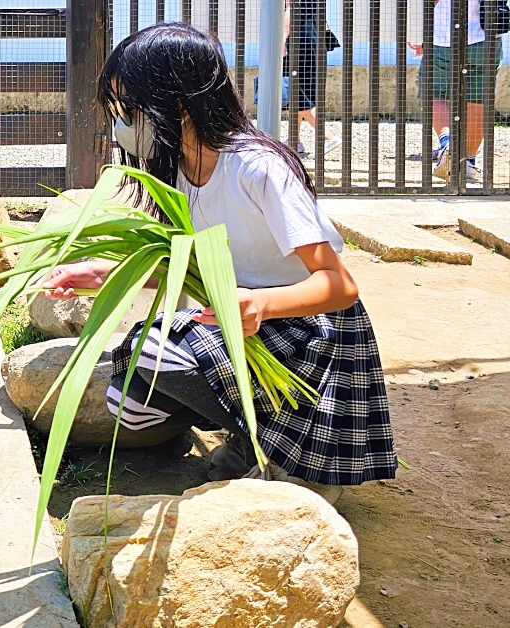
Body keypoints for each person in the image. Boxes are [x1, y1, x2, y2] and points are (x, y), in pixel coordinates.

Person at [43, 22, 396, 503]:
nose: (123, 123)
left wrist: (260, 304)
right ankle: (256, 440)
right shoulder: (178, 170)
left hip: (308, 331)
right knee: (130, 390)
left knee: (157, 348)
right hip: (237, 321)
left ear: (178, 103)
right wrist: (100, 275)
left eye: (131, 108)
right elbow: (185, 267)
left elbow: (339, 286)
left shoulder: (257, 167)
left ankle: (301, 459)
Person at [408, 0, 502, 182]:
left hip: (443, 37)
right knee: (478, 99)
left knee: (434, 93)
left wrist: (422, 35)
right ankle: (467, 161)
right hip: (485, 36)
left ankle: (448, 145)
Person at [284, 0, 342, 157]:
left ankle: (328, 137)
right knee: (297, 93)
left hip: (298, 44)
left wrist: (282, 38)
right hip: (313, 42)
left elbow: (291, 8)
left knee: (297, 94)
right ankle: (294, 141)